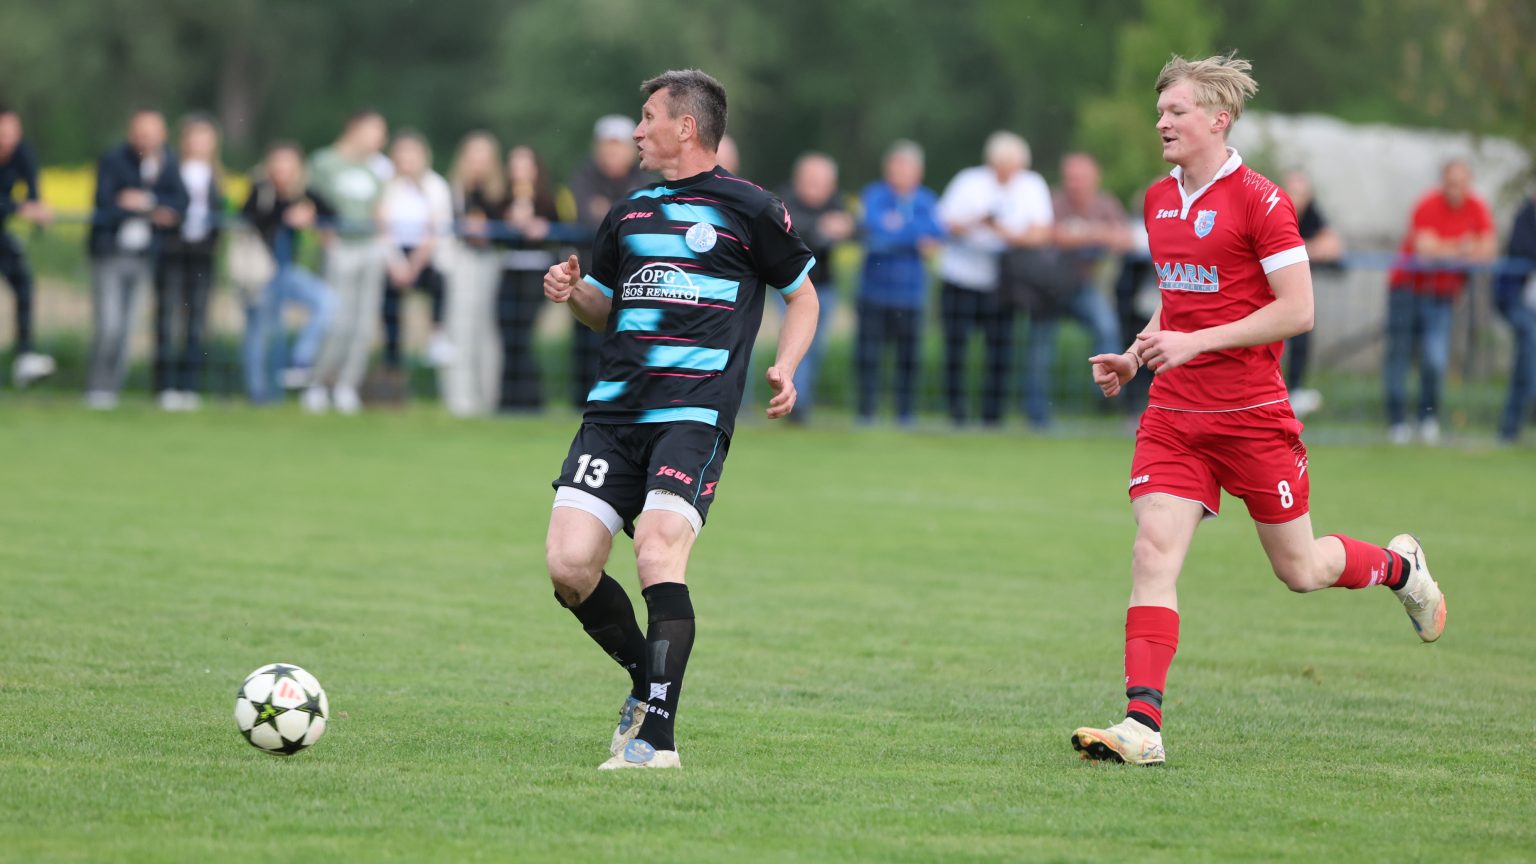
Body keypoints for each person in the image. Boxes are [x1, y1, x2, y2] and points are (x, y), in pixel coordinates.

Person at [1073, 53, 1446, 767]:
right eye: (1160, 111)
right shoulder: (1157, 199)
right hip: (1175, 416)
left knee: (1300, 569)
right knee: (1152, 551)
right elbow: (1178, 301)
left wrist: (1195, 342)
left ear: (1219, 119)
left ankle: (1400, 569)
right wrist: (1136, 354)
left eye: (1176, 111)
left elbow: (1298, 310)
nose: (1162, 122)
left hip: (1251, 416)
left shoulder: (1262, 201)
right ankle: (1142, 726)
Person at [540, 69, 818, 770]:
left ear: (685, 127)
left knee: (657, 551)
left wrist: (786, 366)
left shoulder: (751, 207)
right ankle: (648, 680)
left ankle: (656, 740)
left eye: (647, 117)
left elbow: (804, 296)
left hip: (692, 415)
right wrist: (572, 292)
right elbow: (605, 308)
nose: (636, 131)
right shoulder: (629, 211)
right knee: (569, 567)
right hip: (613, 414)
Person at [937, 131, 1052, 426]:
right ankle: (956, 412)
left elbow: (1041, 233)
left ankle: (993, 416)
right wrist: (976, 222)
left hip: (1005, 283)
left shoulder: (1032, 185)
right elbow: (944, 223)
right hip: (961, 277)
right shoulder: (968, 181)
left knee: (1000, 350)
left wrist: (1003, 232)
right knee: (955, 347)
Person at [1384, 159, 1495, 444]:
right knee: (1400, 355)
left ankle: (1427, 417)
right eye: (1451, 183)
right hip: (1407, 290)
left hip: (1441, 295)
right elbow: (1424, 250)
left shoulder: (1477, 207)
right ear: (1443, 182)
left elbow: (1488, 250)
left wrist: (1445, 249)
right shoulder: (1427, 205)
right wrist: (1462, 247)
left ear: (1468, 184)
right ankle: (1397, 422)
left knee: (1435, 358)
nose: (1455, 189)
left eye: (1461, 183)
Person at [85, 109, 188, 409]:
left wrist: (145, 202)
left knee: (129, 327)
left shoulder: (168, 163)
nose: (146, 140)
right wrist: (148, 208)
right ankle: (97, 388)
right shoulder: (113, 160)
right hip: (110, 253)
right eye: (141, 133)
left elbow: (179, 203)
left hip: (145, 256)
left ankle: (112, 390)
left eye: (152, 134)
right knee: (109, 324)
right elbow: (106, 201)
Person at [1024, 152, 1127, 428]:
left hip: (1084, 286)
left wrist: (1080, 235)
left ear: (1095, 178)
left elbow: (1124, 238)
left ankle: (1106, 396)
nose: (1075, 183)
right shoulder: (1052, 201)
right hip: (1049, 289)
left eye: (1080, 178)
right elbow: (1052, 235)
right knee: (1039, 349)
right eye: (1070, 177)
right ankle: (1037, 415)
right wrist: (1098, 235)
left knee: (1107, 328)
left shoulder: (1106, 204)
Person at [304, 109, 389, 415]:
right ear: (355, 128)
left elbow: (379, 209)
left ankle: (346, 385)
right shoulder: (324, 162)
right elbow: (311, 201)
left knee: (362, 322)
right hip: (340, 247)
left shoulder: (376, 168)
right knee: (335, 319)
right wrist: (326, 237)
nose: (381, 138)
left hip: (369, 246)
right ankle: (317, 383)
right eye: (376, 130)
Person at [240, 141, 337, 404]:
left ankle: (301, 357)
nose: (282, 168)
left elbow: (332, 212)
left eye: (288, 162)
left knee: (327, 302)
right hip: (260, 273)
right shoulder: (259, 190)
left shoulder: (302, 192)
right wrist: (285, 216)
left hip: (286, 270)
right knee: (260, 331)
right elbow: (250, 217)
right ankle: (258, 393)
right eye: (278, 162)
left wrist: (311, 215)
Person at [566, 115, 653, 408]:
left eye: (618, 146)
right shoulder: (583, 176)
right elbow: (586, 217)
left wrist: (607, 212)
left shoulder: (644, 178)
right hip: (591, 275)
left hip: (631, 279)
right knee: (586, 344)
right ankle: (583, 403)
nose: (612, 153)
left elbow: (636, 221)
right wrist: (622, 214)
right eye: (607, 146)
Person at [856, 140, 943, 424]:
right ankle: (866, 413)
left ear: (919, 171)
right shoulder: (873, 195)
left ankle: (905, 415)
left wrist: (896, 231)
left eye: (907, 167)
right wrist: (914, 239)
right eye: (896, 166)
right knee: (868, 356)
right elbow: (874, 232)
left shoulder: (927, 200)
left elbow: (936, 233)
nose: (900, 172)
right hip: (873, 292)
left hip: (911, 295)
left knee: (909, 360)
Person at [152, 115, 225, 411]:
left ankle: (190, 385)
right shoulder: (170, 169)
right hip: (173, 251)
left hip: (201, 255)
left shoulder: (216, 176)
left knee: (196, 322)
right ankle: (165, 385)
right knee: (168, 319)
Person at [780, 151, 855, 422]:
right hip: (789, 287)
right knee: (796, 343)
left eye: (822, 183)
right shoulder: (783, 201)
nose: (816, 188)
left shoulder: (837, 202)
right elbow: (793, 230)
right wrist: (822, 230)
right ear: (798, 180)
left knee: (816, 347)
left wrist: (846, 227)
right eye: (811, 181)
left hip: (824, 286)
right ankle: (796, 406)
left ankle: (799, 399)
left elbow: (857, 229)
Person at [442, 131, 507, 417]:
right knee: (460, 329)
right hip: (462, 262)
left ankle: (486, 399)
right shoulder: (453, 192)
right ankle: (460, 400)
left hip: (490, 263)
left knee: (487, 333)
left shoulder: (499, 194)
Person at [379, 130, 454, 378]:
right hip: (392, 256)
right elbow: (381, 228)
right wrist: (396, 264)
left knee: (440, 283)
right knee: (388, 302)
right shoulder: (386, 185)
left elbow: (436, 229)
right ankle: (392, 359)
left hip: (425, 256)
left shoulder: (435, 186)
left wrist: (414, 265)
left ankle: (436, 336)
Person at [497, 144, 559, 412]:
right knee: (508, 335)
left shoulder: (549, 199)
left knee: (523, 335)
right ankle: (508, 399)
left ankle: (530, 400)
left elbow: (562, 227)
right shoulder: (502, 198)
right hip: (510, 269)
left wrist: (543, 228)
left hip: (535, 271)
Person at [1280, 169, 1344, 418]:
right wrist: (1305, 251)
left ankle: (1293, 391)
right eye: (1292, 192)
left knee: (1301, 336)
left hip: (1292, 292)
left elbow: (1333, 246)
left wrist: (1295, 251)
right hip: (1265, 292)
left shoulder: (1311, 214)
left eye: (1301, 193)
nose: (1297, 199)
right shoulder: (1273, 208)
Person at [0, 104, 56, 388]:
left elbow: (33, 193)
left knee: (23, 282)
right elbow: (19, 206)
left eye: (13, 132)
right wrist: (20, 208)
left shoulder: (23, 153)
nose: (8, 139)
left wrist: (38, 212)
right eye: (3, 133)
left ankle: (24, 355)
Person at [1494, 190, 1536, 443]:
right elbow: (1523, 250)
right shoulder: (1525, 216)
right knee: (1530, 342)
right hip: (1518, 301)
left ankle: (1509, 430)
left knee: (1524, 361)